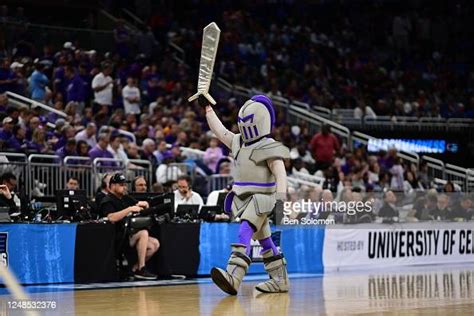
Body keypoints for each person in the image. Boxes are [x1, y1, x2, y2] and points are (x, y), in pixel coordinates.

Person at [201, 94, 290, 295]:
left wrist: (281, 199)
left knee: (244, 231)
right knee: (265, 240)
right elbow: (220, 131)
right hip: (243, 198)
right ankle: (280, 280)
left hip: (262, 198)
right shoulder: (238, 142)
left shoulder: (269, 146)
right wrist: (208, 109)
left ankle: (234, 277)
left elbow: (280, 173)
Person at [100, 173, 159, 280]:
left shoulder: (126, 198)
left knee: (154, 244)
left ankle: (133, 269)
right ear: (112, 186)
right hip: (117, 236)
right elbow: (111, 217)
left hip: (130, 233)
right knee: (143, 233)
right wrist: (129, 209)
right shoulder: (107, 200)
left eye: (125, 184)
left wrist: (144, 204)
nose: (124, 187)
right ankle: (141, 268)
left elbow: (137, 205)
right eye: (121, 184)